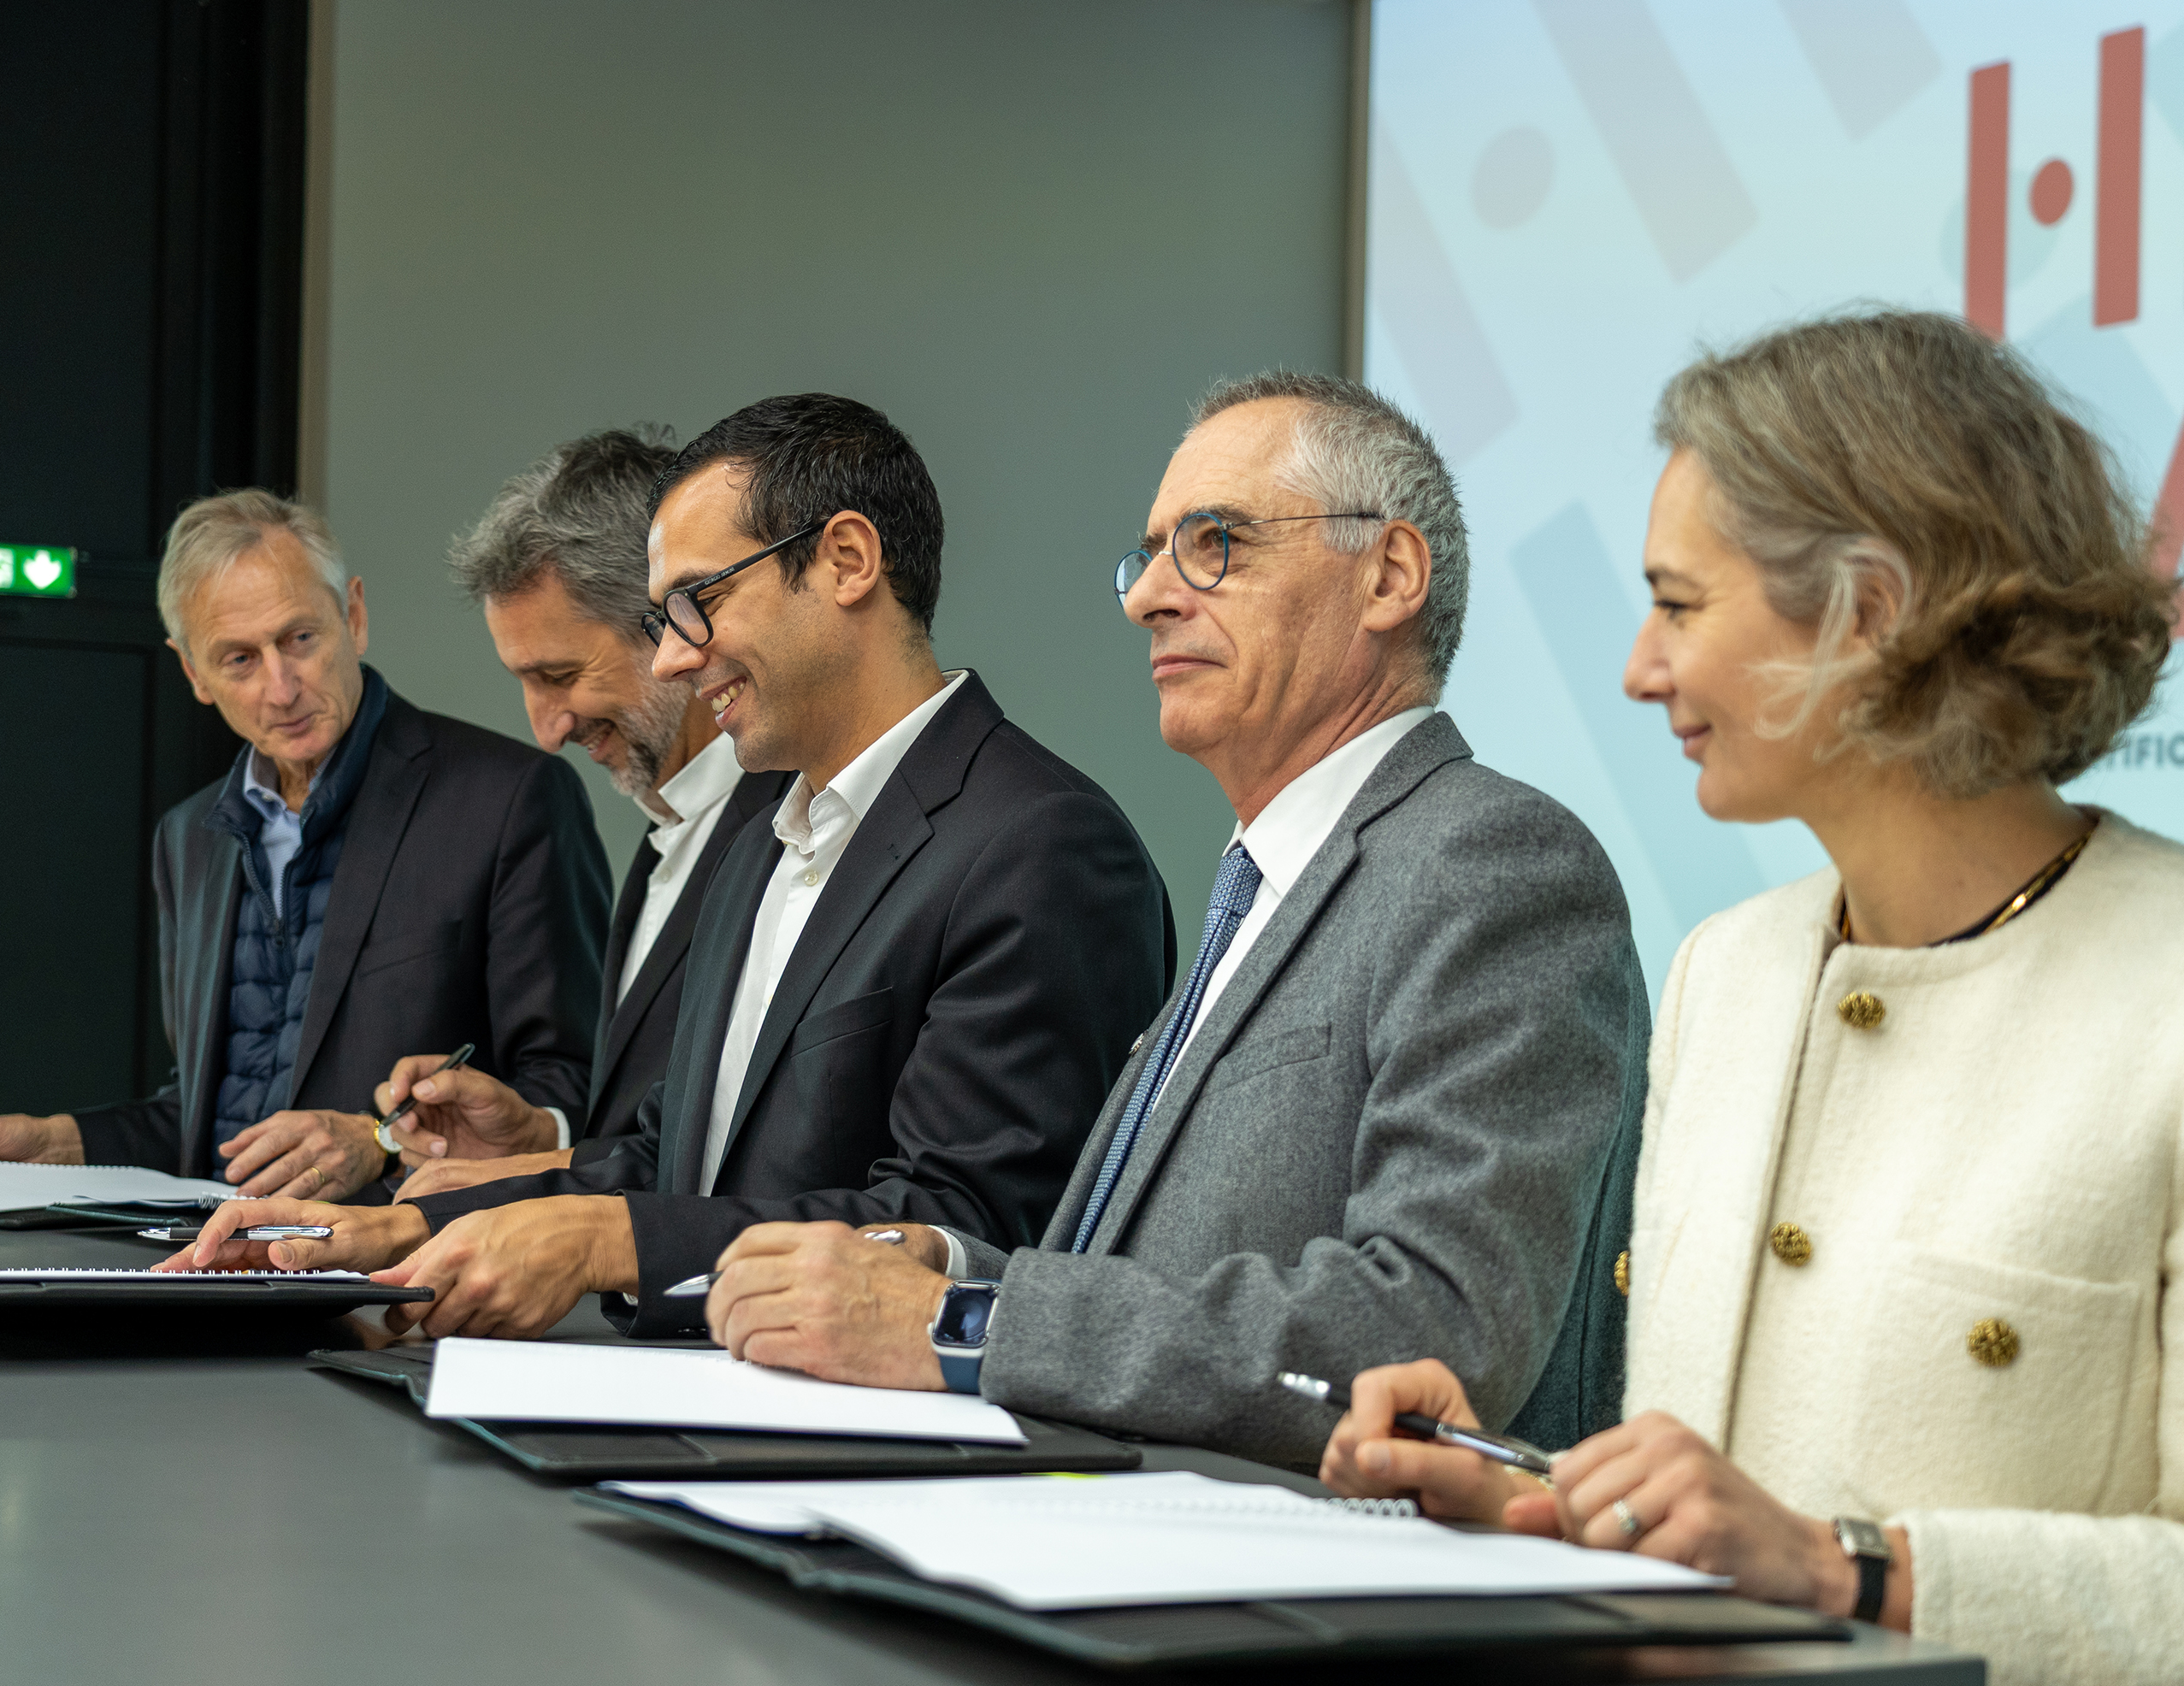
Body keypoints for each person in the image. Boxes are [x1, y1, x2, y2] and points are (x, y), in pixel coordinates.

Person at [1316, 311, 2184, 1686]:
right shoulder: (1725, 973)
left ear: (1870, 612)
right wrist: (1520, 1495)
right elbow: (1732, 1520)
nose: (1639, 669)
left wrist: (1854, 1570)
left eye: (1680, 605)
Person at [694, 371, 1650, 1470]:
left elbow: (1437, 1329)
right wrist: (952, 1271)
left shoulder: (1494, 861)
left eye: (1215, 544)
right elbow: (1158, 1280)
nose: (1147, 596)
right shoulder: (1265, 880)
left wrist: (964, 1323)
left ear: (1389, 575)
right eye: (1150, 554)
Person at [165, 395, 1175, 1341]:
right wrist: (397, 1226)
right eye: (662, 619)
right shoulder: (755, 842)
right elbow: (669, 1157)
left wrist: (605, 1240)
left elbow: (970, 1226)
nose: (674, 658)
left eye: (698, 601)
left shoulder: (1041, 843)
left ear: (848, 560)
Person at [0, 490, 610, 1198]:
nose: (281, 689)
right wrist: (64, 1142)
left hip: (406, 1259)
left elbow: (575, 1089)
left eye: (300, 639)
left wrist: (382, 1144)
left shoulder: (509, 799)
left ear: (354, 617)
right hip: (213, 1251)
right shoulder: (187, 840)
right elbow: (211, 1122)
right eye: (240, 659)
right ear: (193, 673)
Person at [386, 427, 786, 1185]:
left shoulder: (797, 834)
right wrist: (539, 1139)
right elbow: (646, 1131)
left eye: (560, 675)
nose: (546, 730)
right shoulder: (668, 829)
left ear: (668, 624)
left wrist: (537, 1177)